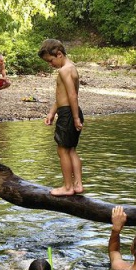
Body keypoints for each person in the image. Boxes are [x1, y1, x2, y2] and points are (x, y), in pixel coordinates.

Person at [38, 39, 84, 196]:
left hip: (68, 114)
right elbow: (62, 97)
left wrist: (75, 118)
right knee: (71, 150)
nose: (51, 65)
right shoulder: (71, 68)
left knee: (62, 150)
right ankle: (78, 185)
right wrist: (52, 112)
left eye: (51, 61)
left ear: (59, 54)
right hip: (71, 111)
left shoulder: (64, 71)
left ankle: (68, 187)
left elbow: (72, 95)